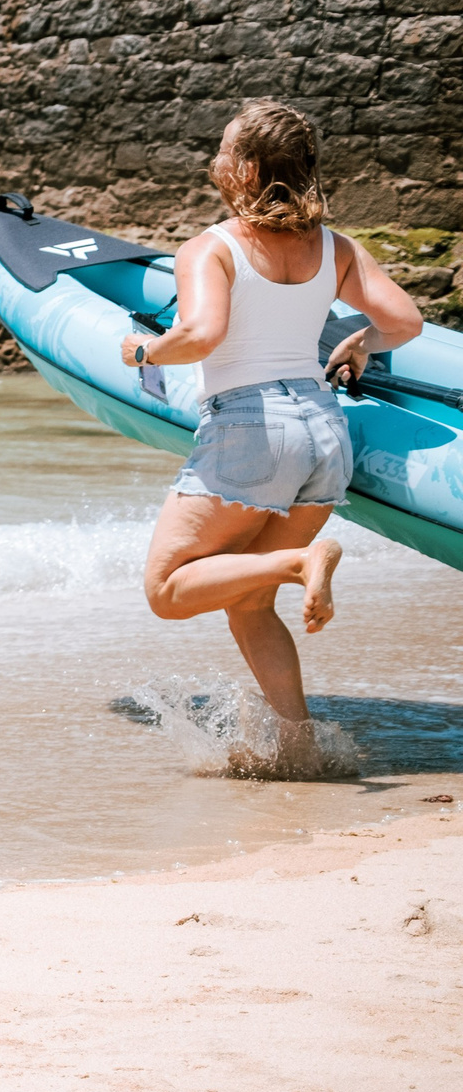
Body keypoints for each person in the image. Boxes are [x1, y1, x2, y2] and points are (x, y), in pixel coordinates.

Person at [119, 100, 421, 769]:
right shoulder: (336, 248)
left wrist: (143, 350)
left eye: (226, 149)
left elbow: (201, 334)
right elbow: (405, 321)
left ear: (248, 168)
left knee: (167, 589)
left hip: (252, 428)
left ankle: (300, 564)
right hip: (323, 432)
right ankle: (297, 745)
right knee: (250, 602)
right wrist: (360, 342)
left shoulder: (212, 247)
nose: (216, 159)